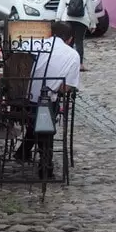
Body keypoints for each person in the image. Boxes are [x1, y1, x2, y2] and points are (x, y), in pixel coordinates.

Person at [13, 21, 80, 178]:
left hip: (18, 99)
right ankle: (45, 164)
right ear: (69, 40)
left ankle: (23, 151)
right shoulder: (72, 55)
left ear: (49, 34)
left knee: (40, 112)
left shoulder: (32, 44)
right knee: (47, 107)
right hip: (44, 103)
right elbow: (66, 87)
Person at [56, 0, 97, 71]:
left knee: (68, 42)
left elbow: (61, 7)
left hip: (68, 19)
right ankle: (80, 64)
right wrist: (93, 24)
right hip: (82, 20)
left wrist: (58, 20)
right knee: (79, 42)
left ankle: (68, 63)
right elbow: (90, 9)